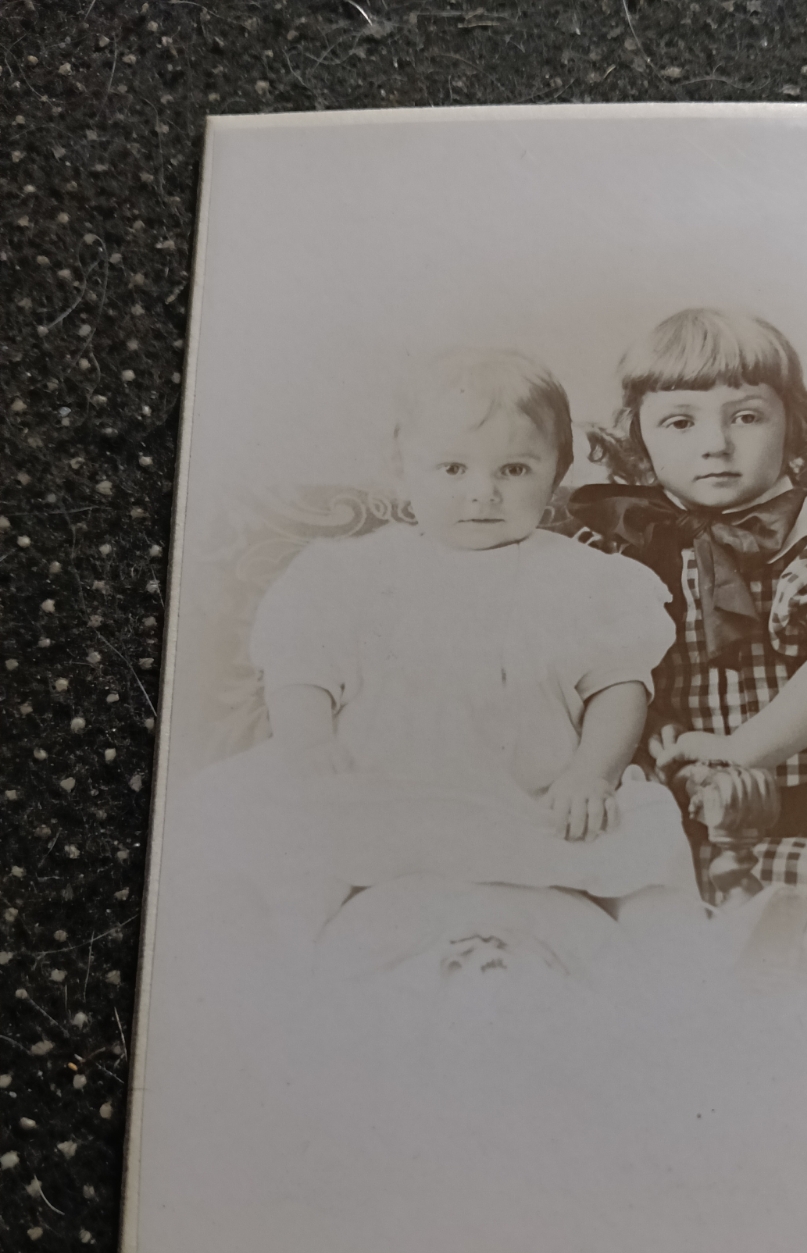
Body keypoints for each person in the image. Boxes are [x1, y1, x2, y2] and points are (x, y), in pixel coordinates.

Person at [174, 348, 697, 981]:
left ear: (557, 470)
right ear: (402, 469)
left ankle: (692, 968)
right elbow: (301, 671)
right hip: (382, 789)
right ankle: (262, 962)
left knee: (642, 833)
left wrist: (593, 773)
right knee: (290, 832)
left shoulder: (586, 580)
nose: (483, 492)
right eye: (452, 468)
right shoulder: (349, 573)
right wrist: (310, 743)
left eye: (514, 468)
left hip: (533, 794)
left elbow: (620, 687)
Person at [569, 307, 807, 961]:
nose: (716, 444)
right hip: (687, 850)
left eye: (746, 416)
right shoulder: (617, 558)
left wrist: (742, 749)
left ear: (792, 426)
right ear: (639, 441)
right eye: (680, 422)